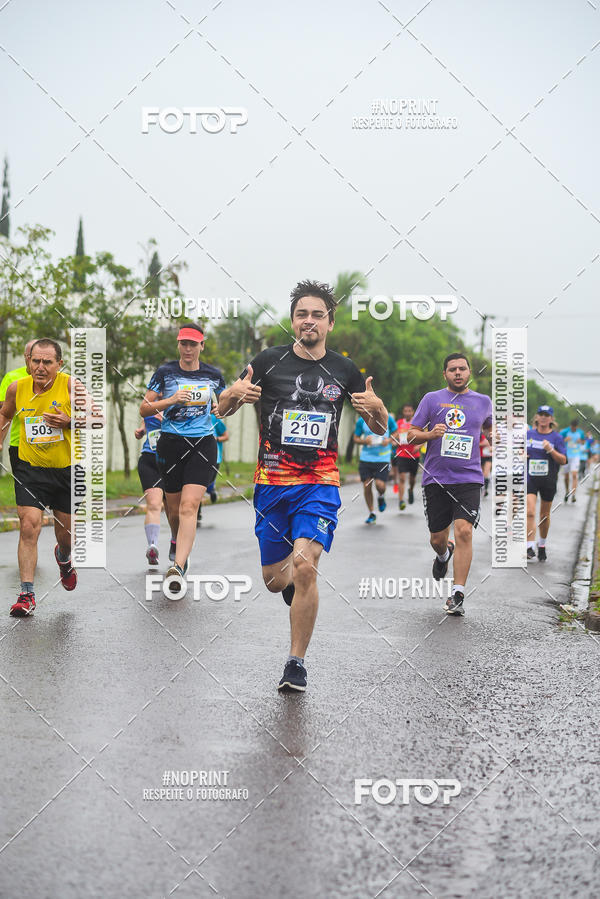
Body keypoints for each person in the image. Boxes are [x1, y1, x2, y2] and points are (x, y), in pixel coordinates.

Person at [218, 279, 388, 692]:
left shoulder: (345, 370)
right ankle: (290, 585)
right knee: (276, 580)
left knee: (305, 566)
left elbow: (379, 426)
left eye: (317, 315)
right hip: (272, 483)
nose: (309, 321)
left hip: (319, 483)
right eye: (301, 314)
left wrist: (378, 409)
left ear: (330, 322)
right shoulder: (268, 360)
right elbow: (221, 412)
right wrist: (232, 393)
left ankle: (296, 663)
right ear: (292, 321)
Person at [0, 338, 99, 616]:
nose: (40, 367)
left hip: (67, 471)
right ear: (28, 361)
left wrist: (71, 421)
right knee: (29, 525)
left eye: (47, 362)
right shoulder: (16, 388)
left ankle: (64, 558)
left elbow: (98, 418)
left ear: (59, 364)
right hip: (30, 470)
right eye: (36, 361)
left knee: (66, 536)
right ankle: (26, 594)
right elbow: (5, 415)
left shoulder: (70, 385)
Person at [140, 324, 225, 591]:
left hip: (202, 443)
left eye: (193, 344)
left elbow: (225, 407)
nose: (188, 349)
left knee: (190, 507)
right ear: (179, 345)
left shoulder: (213, 375)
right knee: (173, 508)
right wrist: (172, 400)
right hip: (170, 444)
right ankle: (177, 538)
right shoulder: (165, 373)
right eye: (183, 343)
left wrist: (220, 406)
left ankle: (178, 566)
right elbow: (144, 408)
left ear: (202, 346)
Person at [408, 353, 492, 617]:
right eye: (453, 369)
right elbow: (411, 436)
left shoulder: (483, 402)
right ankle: (444, 555)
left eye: (462, 369)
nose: (458, 373)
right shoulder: (432, 399)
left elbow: (490, 431)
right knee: (437, 538)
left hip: (468, 478)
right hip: (436, 479)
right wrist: (430, 434)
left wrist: (496, 437)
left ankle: (457, 593)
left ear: (469, 372)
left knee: (464, 530)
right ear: (444, 374)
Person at [134, 411, 177, 565]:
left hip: (172, 462)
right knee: (153, 504)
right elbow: (146, 423)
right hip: (149, 459)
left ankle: (175, 541)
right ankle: (152, 546)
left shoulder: (178, 399)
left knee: (173, 509)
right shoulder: (149, 402)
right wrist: (141, 430)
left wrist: (167, 421)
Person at [526, 405, 567, 562]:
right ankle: (529, 546)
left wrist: (550, 450)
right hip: (530, 478)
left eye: (546, 415)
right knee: (530, 511)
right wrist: (521, 454)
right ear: (536, 417)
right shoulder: (528, 434)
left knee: (544, 515)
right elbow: (517, 452)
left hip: (548, 479)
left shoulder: (556, 438)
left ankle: (541, 545)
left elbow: (563, 460)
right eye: (541, 414)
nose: (543, 417)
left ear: (551, 419)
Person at [0, 339, 36, 478]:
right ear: (25, 356)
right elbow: (3, 409)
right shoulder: (13, 377)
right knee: (25, 492)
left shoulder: (58, 379)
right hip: (20, 443)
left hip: (51, 444)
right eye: (30, 356)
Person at [353, 411, 397, 524]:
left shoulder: (387, 418)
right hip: (366, 458)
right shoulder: (362, 420)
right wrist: (364, 441)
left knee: (380, 485)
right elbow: (356, 438)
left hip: (383, 459)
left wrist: (389, 440)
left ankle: (381, 496)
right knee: (367, 486)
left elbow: (396, 433)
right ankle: (372, 513)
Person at [392, 404, 420, 511]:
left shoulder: (417, 423)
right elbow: (394, 435)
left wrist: (419, 446)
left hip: (414, 454)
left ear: (413, 412)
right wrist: (394, 441)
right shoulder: (399, 423)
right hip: (402, 453)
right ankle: (401, 501)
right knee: (402, 477)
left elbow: (423, 435)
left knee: (412, 479)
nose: (407, 413)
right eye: (405, 411)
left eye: (409, 411)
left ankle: (411, 490)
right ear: (403, 412)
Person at [560, 419, 585, 502]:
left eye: (575, 427)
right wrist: (565, 440)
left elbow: (583, 442)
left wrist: (580, 441)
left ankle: (573, 495)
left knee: (574, 475)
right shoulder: (564, 431)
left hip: (576, 456)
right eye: (572, 427)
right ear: (570, 426)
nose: (574, 429)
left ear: (577, 427)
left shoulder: (580, 432)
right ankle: (567, 491)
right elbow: (558, 442)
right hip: (566, 456)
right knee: (566, 476)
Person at [479, 432, 492, 497]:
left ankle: (485, 490)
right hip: (480, 456)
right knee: (481, 473)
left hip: (488, 456)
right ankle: (481, 488)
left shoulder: (491, 432)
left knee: (486, 473)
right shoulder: (479, 432)